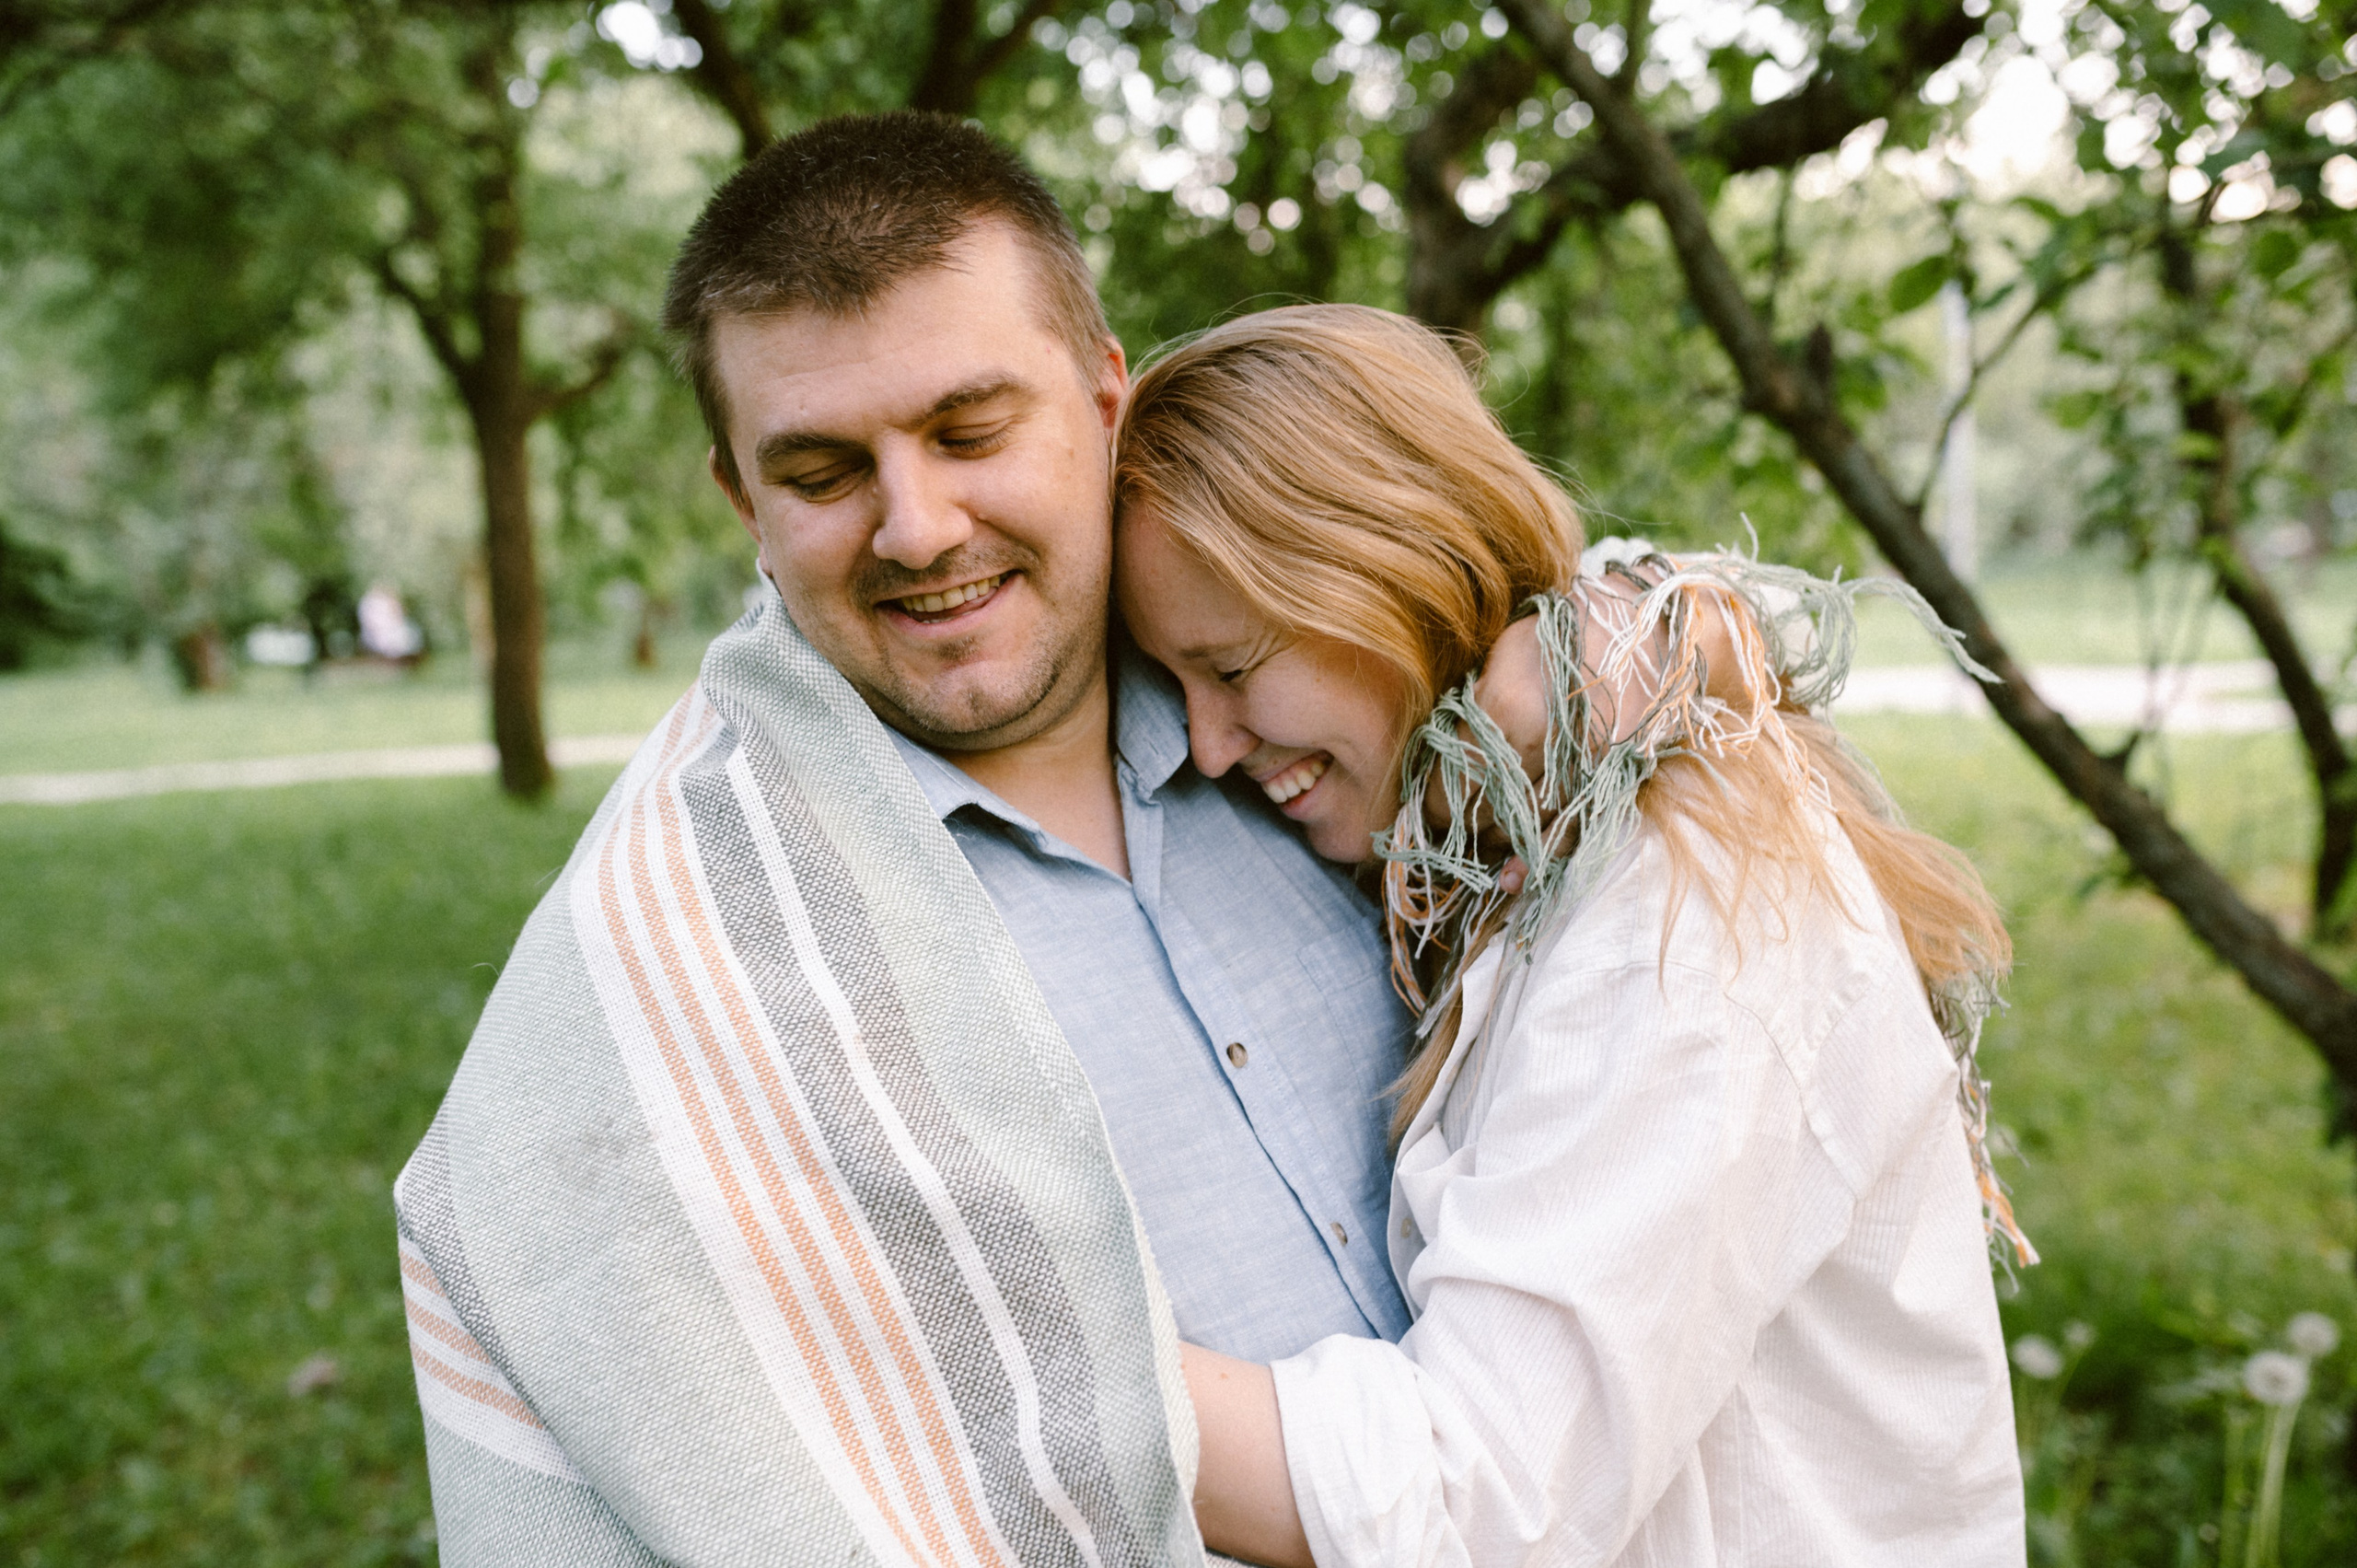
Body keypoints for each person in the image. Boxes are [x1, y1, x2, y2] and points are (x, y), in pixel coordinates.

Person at [394, 114, 1407, 1562]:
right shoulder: (662, 967)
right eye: (822, 473)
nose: (918, 528)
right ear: (743, 499)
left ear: (1107, 395)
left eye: (970, 431)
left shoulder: (1323, 676)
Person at [1111, 304, 2029, 1566]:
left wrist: (1040, 1371)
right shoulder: (1502, 829)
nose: (1207, 748)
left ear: (1387, 566)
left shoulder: (1681, 896)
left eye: (1234, 665)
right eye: (1177, 686)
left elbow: (1481, 1499)